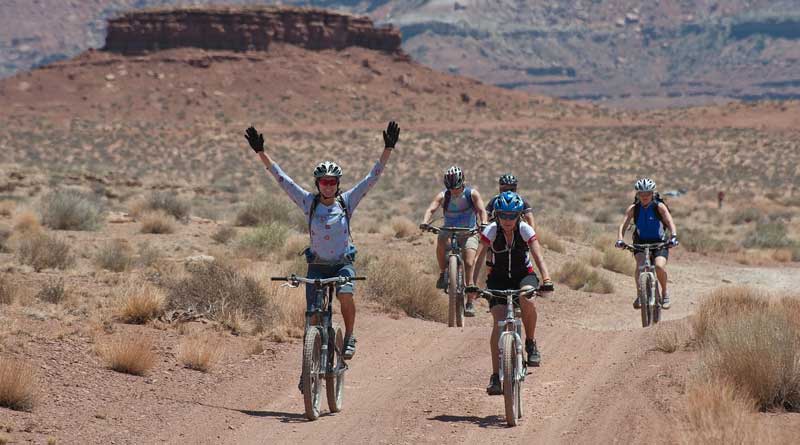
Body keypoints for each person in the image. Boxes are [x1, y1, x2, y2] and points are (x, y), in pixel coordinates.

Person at [245, 121, 400, 365]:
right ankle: (309, 371)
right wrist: (261, 152)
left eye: (332, 181)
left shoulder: (346, 202)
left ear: (338, 184)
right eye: (323, 182)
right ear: (317, 184)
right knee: (313, 318)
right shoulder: (309, 202)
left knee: (345, 294)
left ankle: (349, 337)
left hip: (342, 264)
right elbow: (282, 180)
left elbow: (372, 178)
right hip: (317, 266)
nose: (328, 185)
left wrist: (388, 149)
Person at [475, 191, 553, 395]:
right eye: (504, 215)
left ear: (519, 215)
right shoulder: (492, 230)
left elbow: (538, 256)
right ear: (497, 215)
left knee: (527, 297)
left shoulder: (525, 229)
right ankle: (495, 376)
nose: (507, 220)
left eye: (512, 216)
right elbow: (477, 259)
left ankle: (530, 342)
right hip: (498, 278)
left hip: (523, 276)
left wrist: (546, 280)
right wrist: (470, 285)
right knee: (499, 321)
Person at [420, 166, 488, 316]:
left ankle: (470, 301)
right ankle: (443, 272)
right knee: (441, 240)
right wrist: (425, 222)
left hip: (469, 232)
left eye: (456, 187)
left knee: (469, 262)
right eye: (450, 188)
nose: (454, 191)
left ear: (462, 182)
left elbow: (482, 210)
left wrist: (483, 223)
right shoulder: (444, 195)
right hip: (449, 230)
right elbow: (431, 209)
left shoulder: (472, 194)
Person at [615, 178, 679, 310]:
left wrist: (673, 236)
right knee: (640, 266)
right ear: (637, 194)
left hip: (659, 242)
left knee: (659, 266)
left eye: (648, 193)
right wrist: (620, 239)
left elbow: (670, 222)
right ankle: (640, 295)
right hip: (640, 242)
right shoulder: (634, 209)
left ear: (652, 193)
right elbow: (623, 224)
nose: (644, 196)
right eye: (641, 193)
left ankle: (665, 293)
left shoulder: (659, 207)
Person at [475, 173, 535, 283]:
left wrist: (530, 234)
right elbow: (485, 217)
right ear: (499, 189)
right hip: (496, 233)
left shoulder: (520, 201)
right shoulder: (495, 201)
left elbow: (530, 217)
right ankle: (491, 280)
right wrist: (484, 230)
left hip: (517, 233)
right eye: (504, 189)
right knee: (489, 255)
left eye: (512, 189)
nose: (509, 191)